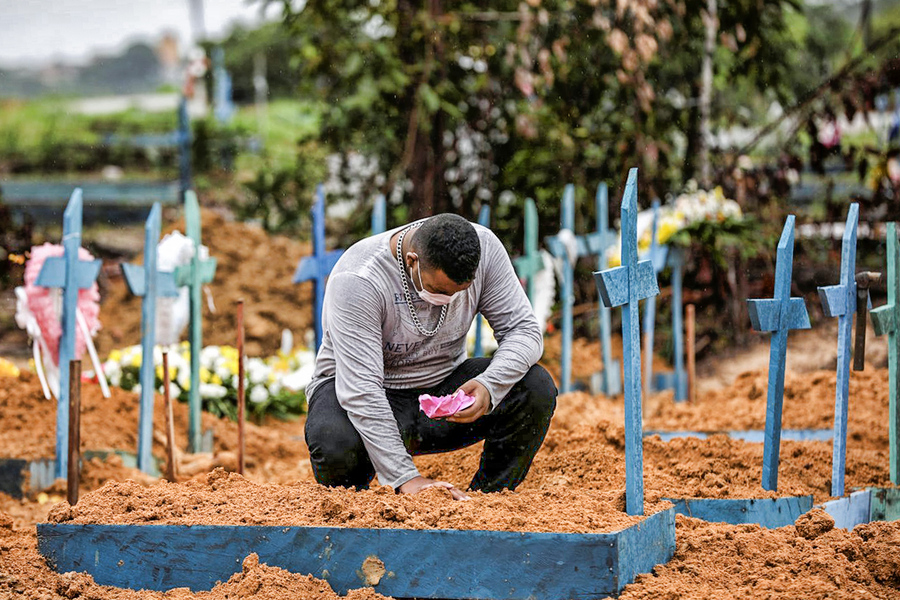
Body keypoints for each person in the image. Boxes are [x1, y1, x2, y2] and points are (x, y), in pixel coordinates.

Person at [304, 213, 557, 500]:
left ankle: (486, 502)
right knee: (334, 441)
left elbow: (524, 330)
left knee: (535, 386)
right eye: (439, 290)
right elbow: (361, 389)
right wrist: (406, 478)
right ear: (412, 261)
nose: (448, 299)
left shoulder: (485, 249)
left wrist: (490, 384)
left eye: (458, 292)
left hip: (440, 395)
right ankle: (357, 513)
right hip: (362, 395)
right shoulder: (359, 279)